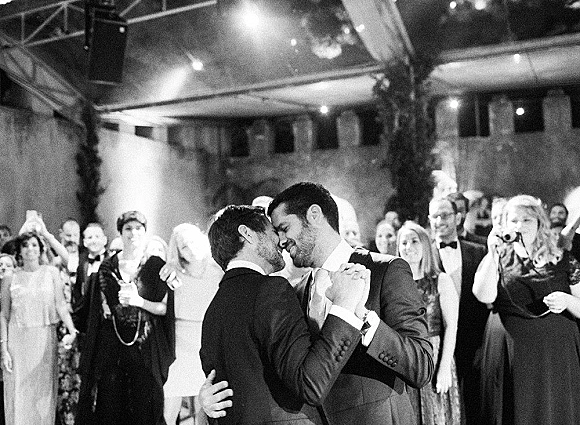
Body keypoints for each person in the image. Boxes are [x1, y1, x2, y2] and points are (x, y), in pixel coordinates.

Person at [267, 182, 433, 424]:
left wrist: (363, 318)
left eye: (284, 228)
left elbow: (421, 366)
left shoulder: (386, 270)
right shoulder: (296, 292)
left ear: (314, 215)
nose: (281, 241)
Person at [200, 205, 369, 424]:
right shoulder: (271, 289)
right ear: (247, 233)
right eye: (273, 231)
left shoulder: (212, 312)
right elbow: (310, 385)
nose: (281, 241)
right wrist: (344, 305)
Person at [473, 194, 580, 425]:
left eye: (527, 220)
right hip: (512, 357)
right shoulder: (498, 257)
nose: (519, 226)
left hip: (555, 359)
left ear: (540, 223)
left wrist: (567, 301)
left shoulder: (562, 258)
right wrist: (493, 254)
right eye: (514, 220)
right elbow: (484, 296)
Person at [93, 211, 175, 425]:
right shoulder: (107, 267)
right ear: (120, 233)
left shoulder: (156, 265)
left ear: (145, 232)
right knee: (113, 405)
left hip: (146, 346)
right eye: (128, 228)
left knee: (145, 405)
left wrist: (139, 301)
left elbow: (164, 309)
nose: (133, 233)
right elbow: (101, 306)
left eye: (138, 228)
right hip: (114, 345)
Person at [0, 232, 78, 425]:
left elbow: (60, 305)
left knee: (43, 395)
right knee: (19, 393)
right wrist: (4, 349)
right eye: (25, 245)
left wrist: (72, 330)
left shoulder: (51, 273)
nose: (30, 249)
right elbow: (4, 314)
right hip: (18, 341)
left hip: (44, 338)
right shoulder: (10, 277)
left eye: (34, 245)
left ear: (41, 249)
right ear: (19, 251)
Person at [429, 196, 488, 425]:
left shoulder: (479, 251)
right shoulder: (425, 255)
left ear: (458, 217)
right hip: (439, 344)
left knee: (475, 405)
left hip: (475, 343)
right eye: (434, 216)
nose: (439, 221)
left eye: (445, 215)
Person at [397, 221, 461, 425]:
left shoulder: (441, 280)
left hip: (433, 354)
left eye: (414, 241)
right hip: (404, 355)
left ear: (425, 244)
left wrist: (444, 367)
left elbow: (451, 326)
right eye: (404, 243)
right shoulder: (394, 283)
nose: (408, 247)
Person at [160, 223, 223, 425]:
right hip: (180, 342)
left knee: (204, 402)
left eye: (194, 242)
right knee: (171, 400)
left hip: (208, 339)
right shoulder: (172, 272)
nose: (191, 249)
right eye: (184, 247)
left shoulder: (218, 269)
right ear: (178, 252)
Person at [72, 222, 109, 425]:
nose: (93, 240)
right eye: (89, 237)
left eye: (97, 236)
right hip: (87, 326)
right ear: (84, 242)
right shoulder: (82, 264)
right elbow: (79, 295)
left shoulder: (113, 261)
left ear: (105, 239)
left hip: (106, 327)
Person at [0, 253, 15, 425]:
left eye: (8, 265)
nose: (3, 268)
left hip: (9, 343)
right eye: (0, 265)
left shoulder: (15, 291)